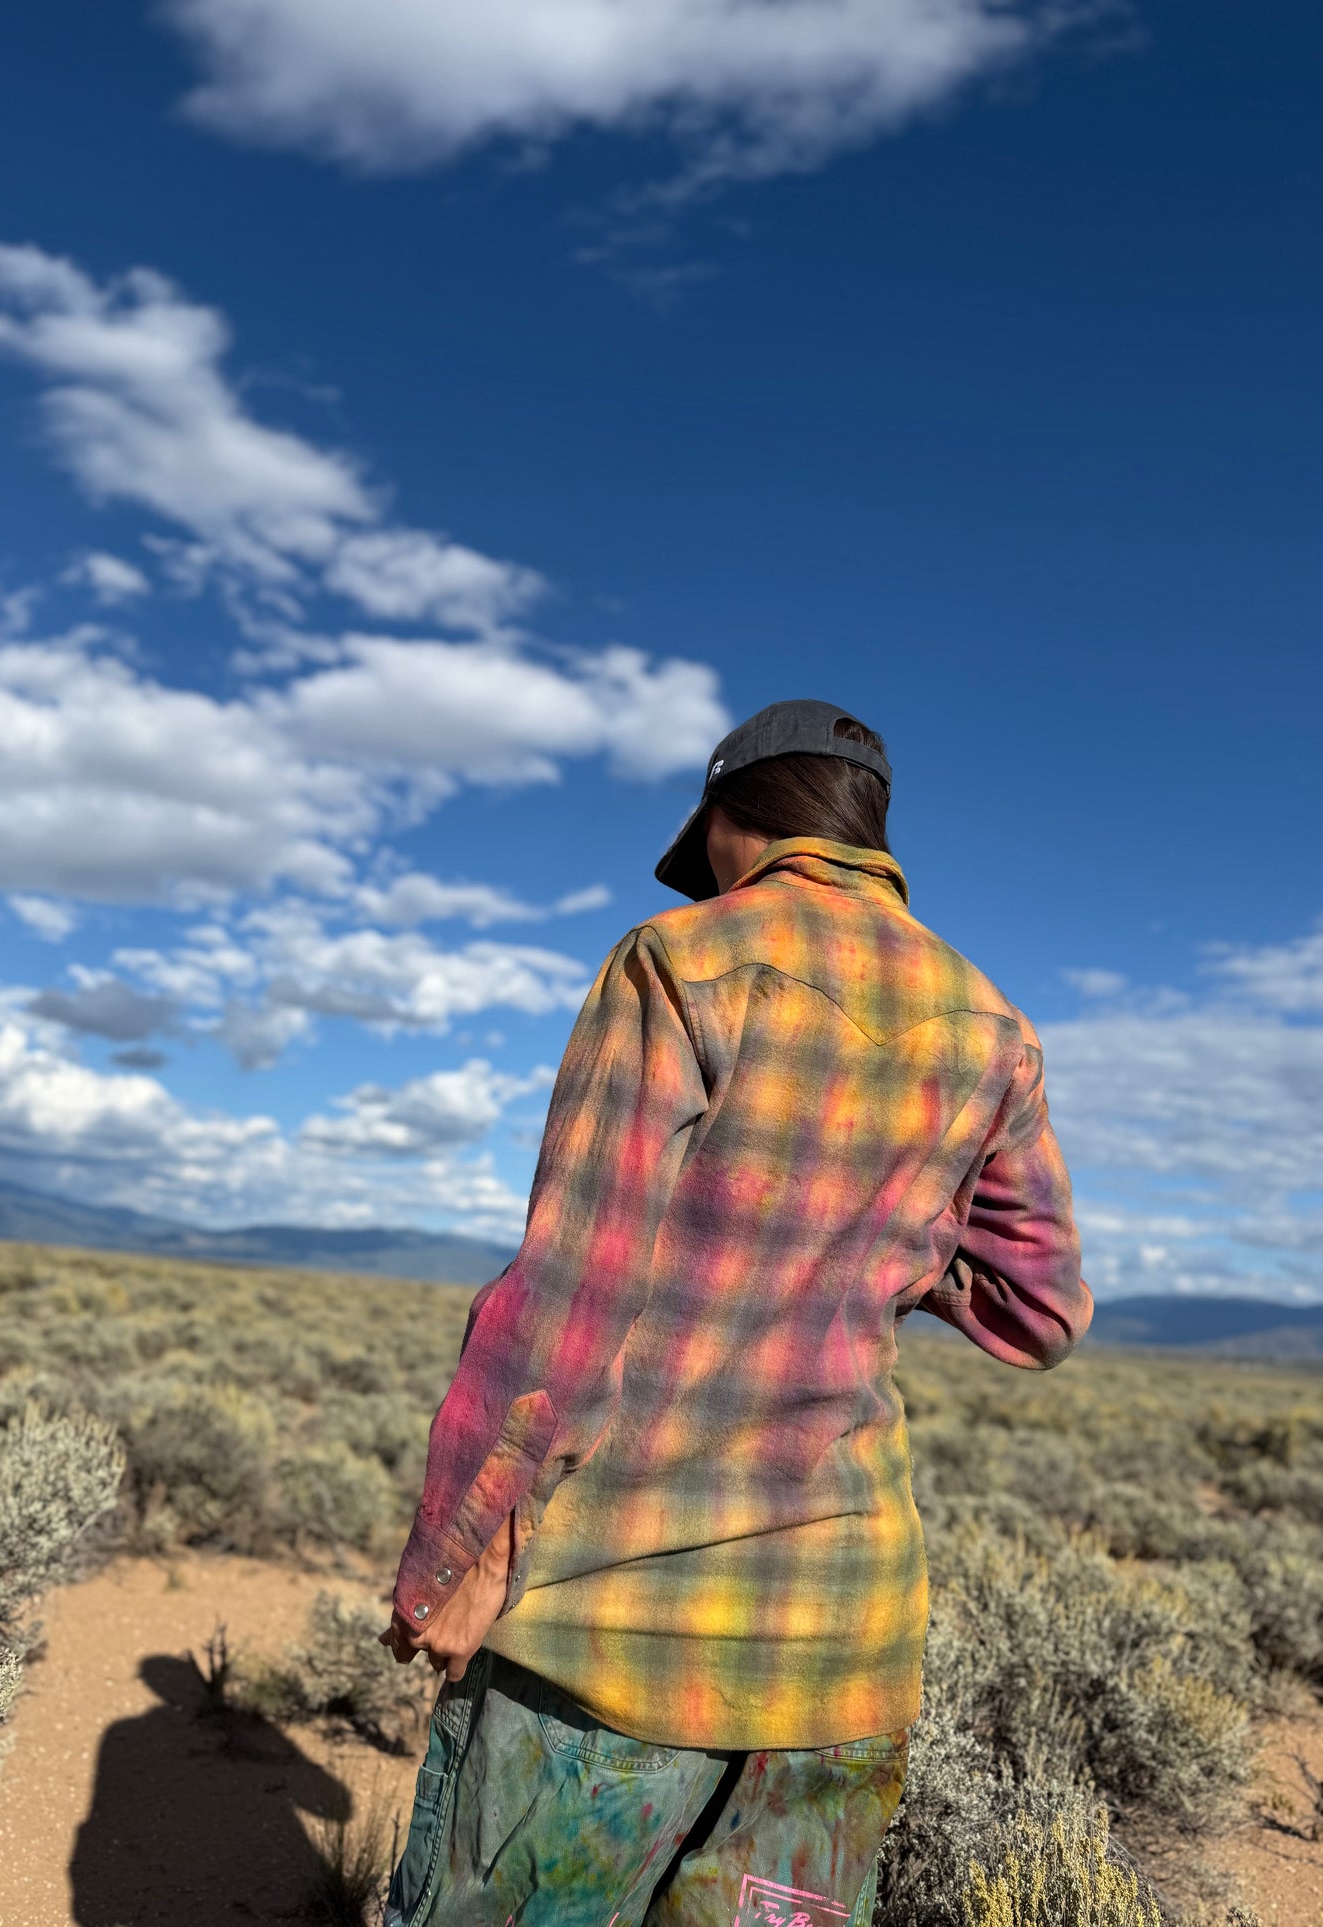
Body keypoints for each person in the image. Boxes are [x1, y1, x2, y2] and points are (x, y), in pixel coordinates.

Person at [379, 698, 1092, 1927]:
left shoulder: (679, 958)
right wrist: (881, 1249)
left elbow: (569, 1294)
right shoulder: (993, 1029)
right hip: (843, 1648)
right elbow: (1040, 1308)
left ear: (728, 819)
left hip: (614, 1632)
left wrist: (457, 1555)